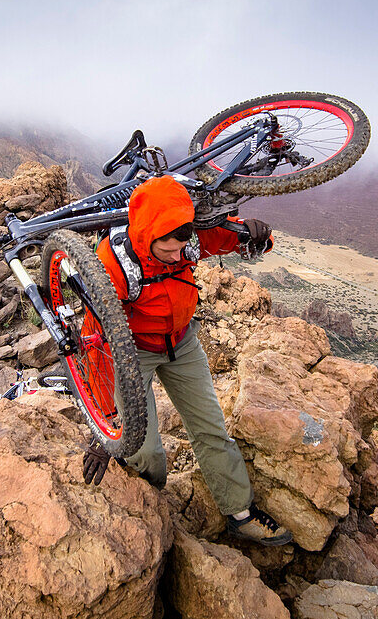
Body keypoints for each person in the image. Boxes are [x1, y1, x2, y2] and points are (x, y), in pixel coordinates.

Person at [82, 175, 292, 547]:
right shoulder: (111, 263)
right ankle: (153, 505)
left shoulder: (186, 237)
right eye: (169, 249)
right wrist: (106, 429)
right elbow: (95, 339)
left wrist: (259, 236)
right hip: (132, 353)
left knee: (211, 429)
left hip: (182, 343)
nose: (179, 255)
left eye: (183, 247)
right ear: (147, 236)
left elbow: (229, 236)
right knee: (144, 451)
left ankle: (239, 514)